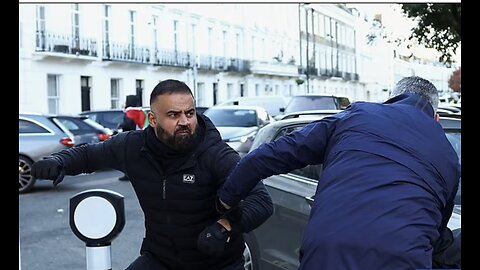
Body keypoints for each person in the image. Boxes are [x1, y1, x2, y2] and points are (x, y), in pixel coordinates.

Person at [216, 76, 461, 269]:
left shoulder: (357, 117)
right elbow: (436, 230)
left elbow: (265, 157)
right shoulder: (448, 156)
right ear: (436, 118)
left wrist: (225, 200)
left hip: (328, 253)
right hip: (404, 260)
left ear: (390, 100)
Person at [31, 79, 274, 270]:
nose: (185, 122)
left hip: (216, 263)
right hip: (161, 260)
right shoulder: (133, 146)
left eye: (189, 113)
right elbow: (88, 156)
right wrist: (58, 161)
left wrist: (225, 226)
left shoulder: (216, 154)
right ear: (152, 119)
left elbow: (261, 200)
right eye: (173, 115)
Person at [117, 95, 146, 181]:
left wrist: (121, 125)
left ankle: (128, 175)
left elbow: (128, 125)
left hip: (130, 137)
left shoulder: (130, 112)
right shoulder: (140, 111)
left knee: (127, 158)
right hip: (139, 135)